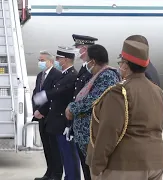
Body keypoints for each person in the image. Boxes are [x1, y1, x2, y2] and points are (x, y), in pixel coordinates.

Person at [86, 37, 163, 180]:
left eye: (121, 62)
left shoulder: (119, 92)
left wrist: (97, 164)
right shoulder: (156, 90)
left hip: (126, 165)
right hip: (156, 162)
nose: (120, 66)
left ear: (126, 65)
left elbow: (109, 131)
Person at [64, 44, 120, 178]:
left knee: (93, 175)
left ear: (93, 61)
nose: (86, 63)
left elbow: (93, 99)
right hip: (85, 138)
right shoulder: (98, 75)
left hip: (92, 138)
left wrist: (72, 108)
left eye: (87, 60)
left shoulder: (107, 76)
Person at [33, 46, 81, 180]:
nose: (57, 60)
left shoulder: (70, 75)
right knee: (60, 153)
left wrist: (43, 97)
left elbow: (58, 93)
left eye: (59, 58)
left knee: (67, 155)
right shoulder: (65, 75)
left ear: (65, 60)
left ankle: (70, 177)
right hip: (56, 120)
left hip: (63, 121)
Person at [68, 34, 98, 180]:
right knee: (85, 168)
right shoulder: (84, 68)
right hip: (79, 126)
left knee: (90, 170)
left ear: (85, 49)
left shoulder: (93, 71)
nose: (77, 52)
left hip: (88, 128)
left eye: (78, 48)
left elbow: (90, 99)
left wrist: (72, 109)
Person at [32, 51, 63, 180]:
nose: (40, 62)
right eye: (39, 60)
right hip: (41, 116)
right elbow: (36, 94)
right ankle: (49, 172)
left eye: (43, 60)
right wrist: (35, 110)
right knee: (46, 146)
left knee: (54, 147)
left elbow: (52, 96)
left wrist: (42, 111)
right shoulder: (40, 75)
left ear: (50, 62)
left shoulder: (57, 75)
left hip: (50, 115)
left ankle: (57, 173)